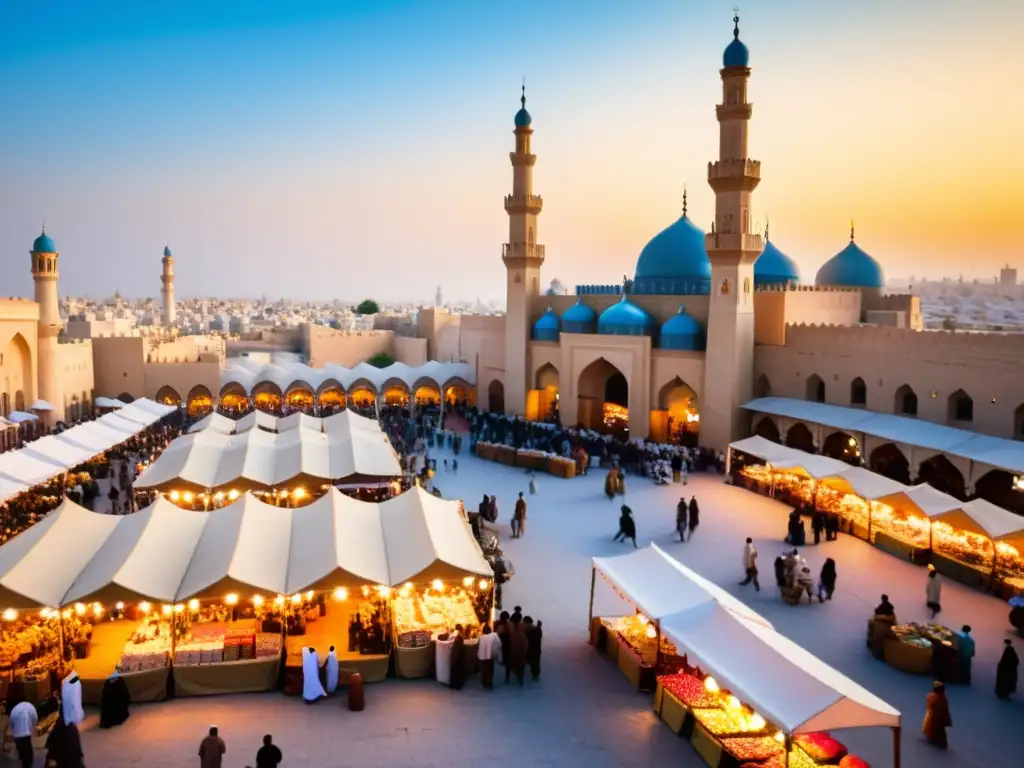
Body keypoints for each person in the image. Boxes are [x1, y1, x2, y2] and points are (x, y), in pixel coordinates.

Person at [922, 681, 952, 749]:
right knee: (939, 734)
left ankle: (932, 740)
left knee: (933, 733)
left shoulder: (933, 697)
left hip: (934, 721)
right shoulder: (942, 699)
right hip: (938, 721)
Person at [10, 698, 37, 768]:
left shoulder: (14, 709)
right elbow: (35, 718)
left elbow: (12, 722)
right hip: (26, 734)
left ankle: (22, 758)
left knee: (22, 752)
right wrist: (33, 726)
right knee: (28, 756)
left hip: (17, 736)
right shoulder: (29, 706)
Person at [477, 624, 501, 689]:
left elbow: (478, 646)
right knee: (490, 670)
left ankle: (484, 683)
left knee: (483, 670)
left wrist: (478, 654)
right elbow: (499, 644)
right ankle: (489, 683)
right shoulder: (494, 635)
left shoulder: (481, 637)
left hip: (482, 656)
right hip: (490, 656)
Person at [508, 614, 528, 685]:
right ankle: (520, 678)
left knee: (515, 662)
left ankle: (517, 675)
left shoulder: (511, 626)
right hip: (520, 646)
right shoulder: (522, 626)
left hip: (515, 646)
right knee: (520, 663)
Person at [450, 624, 466, 690]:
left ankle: (454, 684)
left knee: (455, 669)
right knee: (457, 669)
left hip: (455, 655)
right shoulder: (458, 635)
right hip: (458, 655)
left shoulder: (456, 635)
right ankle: (457, 685)